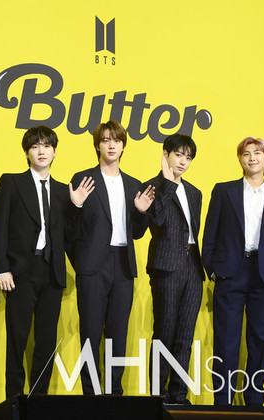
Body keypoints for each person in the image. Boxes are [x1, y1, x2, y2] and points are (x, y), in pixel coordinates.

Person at [0, 126, 94, 398]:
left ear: (55, 152)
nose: (41, 151)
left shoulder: (62, 190)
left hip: (52, 272)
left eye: (47, 146)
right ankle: (14, 401)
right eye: (35, 146)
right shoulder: (11, 182)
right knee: (17, 339)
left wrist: (77, 206)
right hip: (20, 271)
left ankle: (38, 400)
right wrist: (1, 268)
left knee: (46, 341)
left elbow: (69, 236)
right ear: (27, 152)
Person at [202, 136, 264, 406]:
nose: (252, 158)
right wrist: (212, 270)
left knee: (261, 341)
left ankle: (254, 403)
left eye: (257, 153)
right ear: (240, 159)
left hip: (263, 274)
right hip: (230, 272)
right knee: (225, 342)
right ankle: (223, 404)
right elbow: (210, 234)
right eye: (246, 153)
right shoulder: (223, 191)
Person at [70, 120, 155, 395]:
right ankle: (91, 395)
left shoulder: (133, 184)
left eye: (116, 141)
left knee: (118, 334)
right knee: (91, 333)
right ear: (97, 145)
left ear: (123, 146)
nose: (111, 145)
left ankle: (114, 393)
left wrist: (141, 212)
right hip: (93, 265)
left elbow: (138, 233)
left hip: (123, 264)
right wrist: (76, 205)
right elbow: (71, 229)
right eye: (106, 140)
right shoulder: (84, 179)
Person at [145, 134, 204, 404]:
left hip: (192, 267)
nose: (183, 161)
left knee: (184, 335)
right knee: (164, 333)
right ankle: (158, 395)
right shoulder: (152, 186)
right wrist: (168, 185)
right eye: (178, 155)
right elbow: (155, 220)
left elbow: (193, 231)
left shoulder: (195, 192)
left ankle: (179, 394)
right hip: (166, 267)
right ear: (165, 154)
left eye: (188, 158)